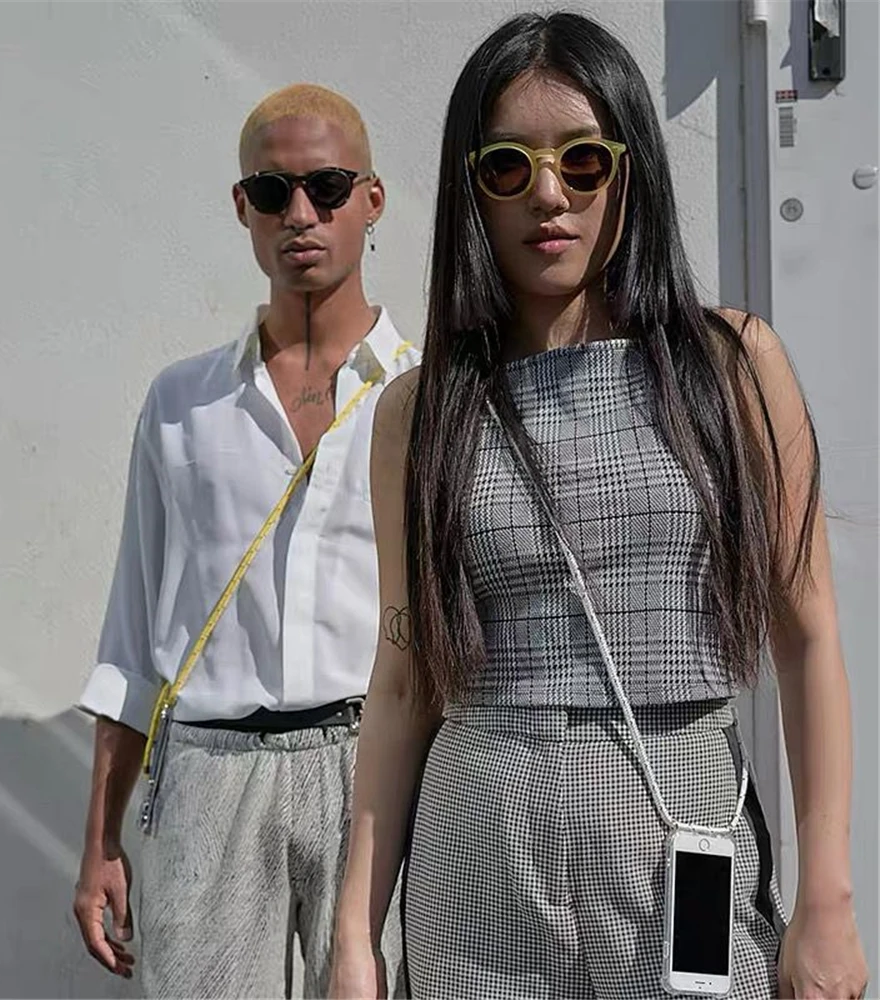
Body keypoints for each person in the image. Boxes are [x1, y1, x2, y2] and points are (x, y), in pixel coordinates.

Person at [330, 12, 868, 1000]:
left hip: (678, 820)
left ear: (632, 170)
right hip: (476, 844)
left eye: (583, 161)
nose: (549, 194)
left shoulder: (731, 368)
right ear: (470, 189)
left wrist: (826, 894)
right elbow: (403, 682)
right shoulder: (420, 411)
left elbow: (807, 635)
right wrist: (354, 940)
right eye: (508, 166)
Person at [71, 82, 417, 999]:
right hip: (209, 770)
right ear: (242, 206)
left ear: (372, 199)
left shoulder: (428, 393)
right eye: (272, 191)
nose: (300, 214)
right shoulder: (182, 402)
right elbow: (132, 631)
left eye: (327, 187)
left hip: (375, 768)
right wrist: (100, 839)